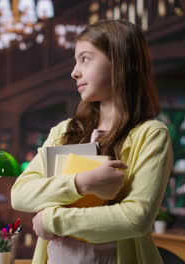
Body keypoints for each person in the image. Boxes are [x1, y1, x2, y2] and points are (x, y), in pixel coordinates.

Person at [11, 19, 173, 264]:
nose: (74, 71)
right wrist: (81, 183)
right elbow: (20, 195)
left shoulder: (151, 134)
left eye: (85, 59)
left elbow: (136, 218)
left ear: (120, 63)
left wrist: (51, 220)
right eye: (76, 61)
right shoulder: (64, 131)